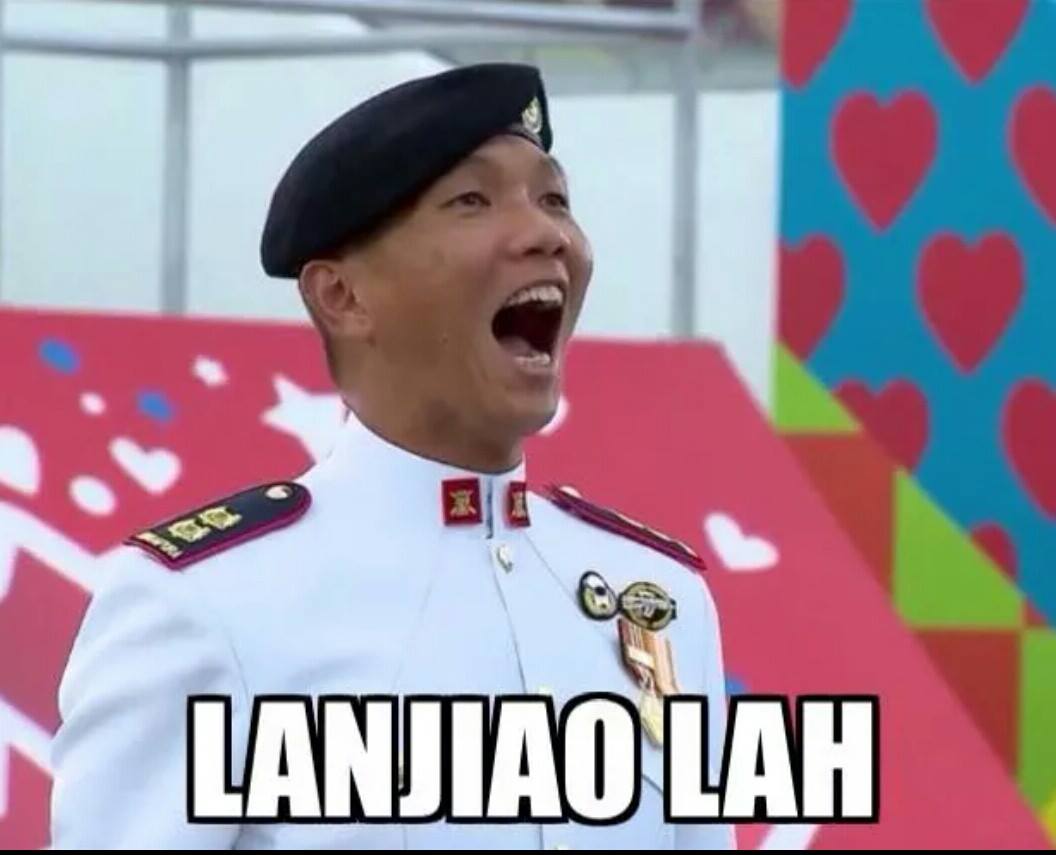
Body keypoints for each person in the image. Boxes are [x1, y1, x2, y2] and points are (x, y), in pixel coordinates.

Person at [49, 63, 735, 850]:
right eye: (471, 200)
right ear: (341, 296)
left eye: (554, 199)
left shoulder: (659, 598)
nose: (548, 234)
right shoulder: (205, 604)